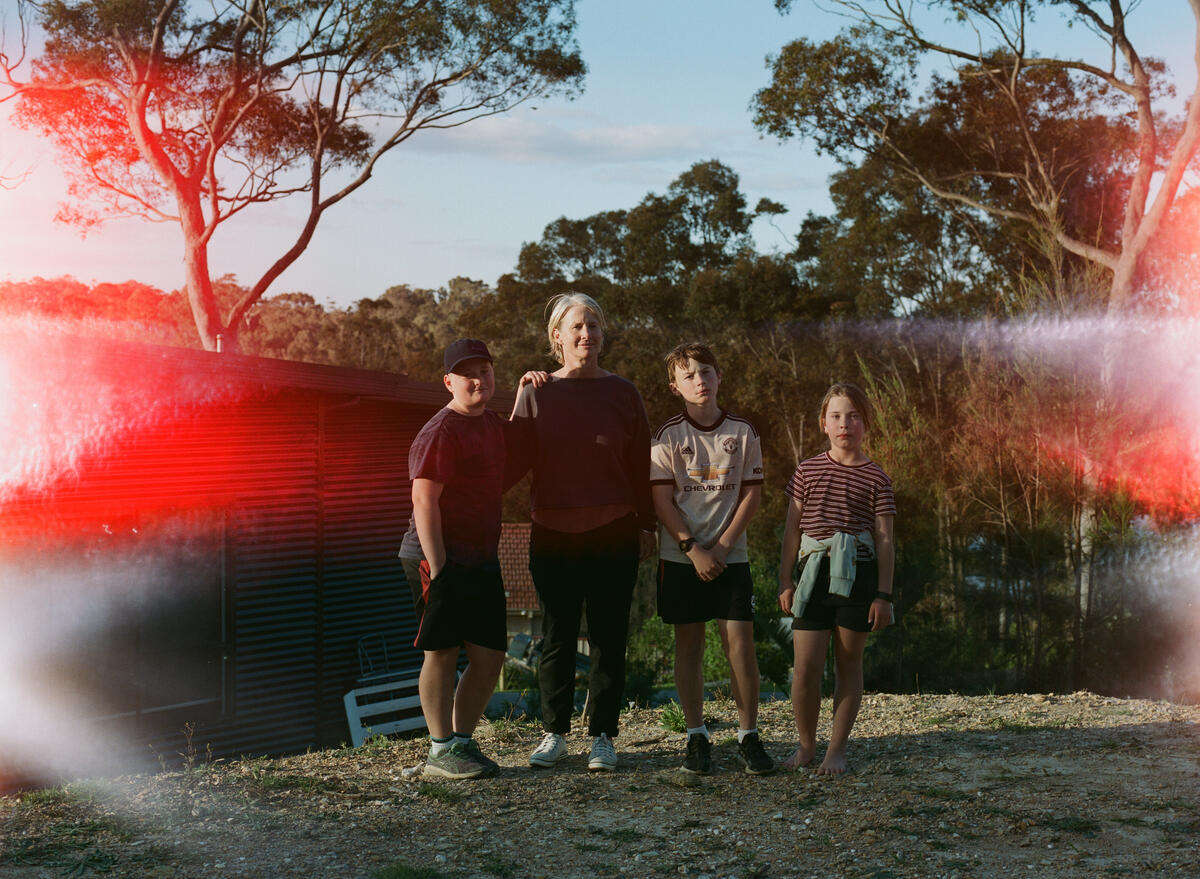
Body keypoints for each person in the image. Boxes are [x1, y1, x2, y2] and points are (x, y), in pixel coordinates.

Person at [508, 293, 656, 772]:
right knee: (557, 636)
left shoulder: (624, 393)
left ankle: (603, 737)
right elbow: (511, 461)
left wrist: (647, 524)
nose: (586, 334)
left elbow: (641, 465)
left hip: (614, 531)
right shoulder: (536, 391)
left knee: (609, 637)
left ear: (603, 334)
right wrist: (517, 399)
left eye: (593, 325)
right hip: (553, 532)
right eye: (576, 326)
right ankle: (554, 734)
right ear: (558, 336)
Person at [650, 343, 776, 776]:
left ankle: (748, 736)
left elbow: (752, 494)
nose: (699, 381)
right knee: (689, 645)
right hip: (682, 557)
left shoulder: (743, 431)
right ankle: (695, 735)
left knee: (740, 645)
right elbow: (661, 501)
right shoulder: (667, 436)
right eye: (688, 375)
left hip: (730, 557)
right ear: (675, 387)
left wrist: (721, 548)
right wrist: (693, 549)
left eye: (706, 372)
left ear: (719, 377)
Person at [397, 339, 508, 780]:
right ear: (449, 382)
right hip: (435, 555)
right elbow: (423, 500)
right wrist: (439, 566)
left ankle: (462, 742)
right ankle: (440, 750)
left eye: (485, 371)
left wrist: (528, 390)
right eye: (468, 375)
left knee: (490, 656)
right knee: (441, 652)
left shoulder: (493, 424)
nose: (479, 380)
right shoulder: (440, 430)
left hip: (480, 559)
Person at [777, 382, 895, 775]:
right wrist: (785, 580)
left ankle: (837, 750)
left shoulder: (877, 477)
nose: (845, 424)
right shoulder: (807, 469)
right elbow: (792, 530)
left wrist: (883, 595)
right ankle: (807, 745)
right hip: (812, 576)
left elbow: (885, 540)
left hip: (858, 577)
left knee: (849, 665)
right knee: (805, 669)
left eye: (854, 416)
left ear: (866, 424)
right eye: (837, 416)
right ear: (823, 424)